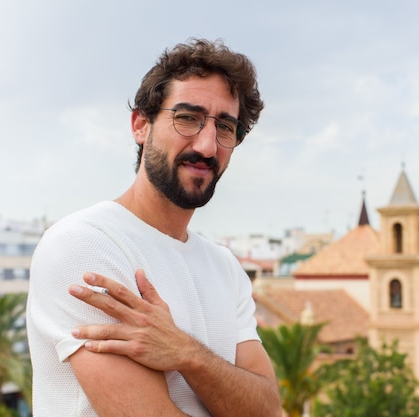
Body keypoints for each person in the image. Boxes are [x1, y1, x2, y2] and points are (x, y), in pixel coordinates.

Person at [26, 38, 281, 417]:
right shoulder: (83, 245)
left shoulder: (225, 267)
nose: (208, 146)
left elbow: (268, 408)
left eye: (226, 127)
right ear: (141, 125)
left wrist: (187, 353)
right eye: (187, 118)